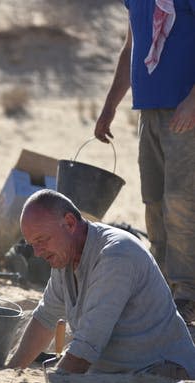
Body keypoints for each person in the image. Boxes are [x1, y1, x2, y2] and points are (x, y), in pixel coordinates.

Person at [7, 189, 195, 379]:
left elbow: (85, 350)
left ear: (70, 223)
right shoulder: (63, 256)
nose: (38, 253)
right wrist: (10, 373)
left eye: (42, 240)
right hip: (119, 375)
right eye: (33, 244)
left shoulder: (116, 255)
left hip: (163, 372)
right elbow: (45, 319)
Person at [94, 1, 195, 324]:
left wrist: (193, 101)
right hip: (149, 110)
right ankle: (163, 290)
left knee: (181, 204)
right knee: (154, 202)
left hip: (185, 113)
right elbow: (131, 47)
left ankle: (187, 295)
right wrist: (111, 106)